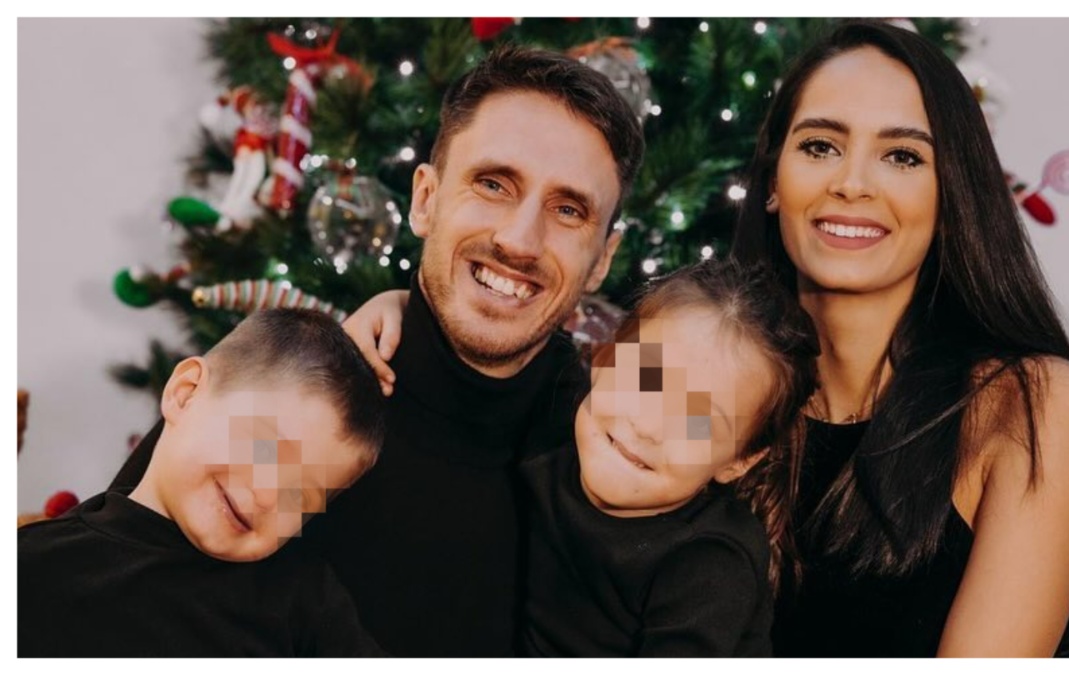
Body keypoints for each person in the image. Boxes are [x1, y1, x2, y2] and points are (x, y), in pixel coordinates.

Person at [111, 44, 645, 656]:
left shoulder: (617, 465)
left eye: (569, 209)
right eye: (493, 184)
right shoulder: (276, 394)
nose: (520, 240)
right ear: (425, 200)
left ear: (602, 259)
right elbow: (103, 593)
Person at [730, 20, 1069, 657]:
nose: (852, 183)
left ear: (951, 196)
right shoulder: (711, 391)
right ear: (774, 180)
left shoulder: (1032, 403)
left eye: (903, 156)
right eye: (820, 146)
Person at [20, 309, 387, 657]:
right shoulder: (33, 568)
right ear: (186, 393)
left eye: (300, 496)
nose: (266, 496)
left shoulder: (305, 601)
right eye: (265, 448)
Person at [519, 259, 818, 657]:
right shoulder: (539, 441)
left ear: (739, 461)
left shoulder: (709, 564)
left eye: (697, 422)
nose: (647, 426)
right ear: (604, 357)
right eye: (644, 377)